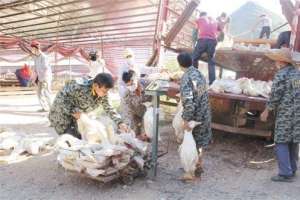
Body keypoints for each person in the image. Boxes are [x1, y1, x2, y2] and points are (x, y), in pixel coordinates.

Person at [260, 48, 300, 182]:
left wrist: (266, 110)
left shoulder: (281, 74)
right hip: (297, 113)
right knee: (293, 141)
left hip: (286, 113)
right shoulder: (297, 74)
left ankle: (285, 173)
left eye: (276, 59)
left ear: (282, 61)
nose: (275, 62)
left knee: (281, 141)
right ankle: (293, 169)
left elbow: (275, 95)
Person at [49, 73, 128, 138]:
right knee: (73, 142)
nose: (106, 94)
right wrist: (73, 111)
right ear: (96, 86)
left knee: (84, 139)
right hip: (62, 116)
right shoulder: (78, 86)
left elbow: (109, 108)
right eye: (104, 91)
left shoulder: (102, 92)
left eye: (107, 91)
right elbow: (61, 101)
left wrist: (120, 122)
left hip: (77, 117)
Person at [177, 52, 212, 180]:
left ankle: (190, 174)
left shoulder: (186, 78)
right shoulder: (199, 74)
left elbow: (189, 102)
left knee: (192, 143)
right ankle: (198, 165)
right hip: (204, 113)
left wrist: (186, 119)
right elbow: (202, 94)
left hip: (195, 116)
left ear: (180, 65)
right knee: (200, 142)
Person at [120, 70, 151, 137]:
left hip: (149, 112)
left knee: (148, 133)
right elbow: (128, 112)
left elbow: (155, 99)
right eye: (129, 85)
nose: (131, 86)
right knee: (135, 133)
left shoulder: (148, 84)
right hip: (136, 113)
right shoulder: (126, 94)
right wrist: (130, 127)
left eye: (132, 84)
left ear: (136, 79)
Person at [192, 12, 219, 85]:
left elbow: (195, 31)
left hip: (202, 41)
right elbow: (218, 33)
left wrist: (194, 44)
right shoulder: (214, 21)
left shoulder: (199, 19)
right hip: (213, 41)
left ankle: (195, 78)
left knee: (194, 58)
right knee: (211, 62)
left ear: (201, 15)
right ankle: (212, 82)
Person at [30, 41, 52, 112]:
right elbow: (35, 69)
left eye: (32, 48)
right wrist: (33, 79)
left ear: (36, 48)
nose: (31, 50)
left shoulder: (44, 57)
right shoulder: (36, 58)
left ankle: (52, 108)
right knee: (39, 93)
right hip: (40, 78)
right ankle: (45, 108)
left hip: (45, 78)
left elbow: (45, 68)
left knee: (46, 93)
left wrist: (44, 79)